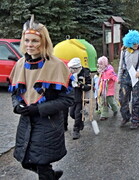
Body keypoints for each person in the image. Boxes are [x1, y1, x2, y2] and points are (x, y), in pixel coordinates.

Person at [8, 15, 74, 179]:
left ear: (44, 42)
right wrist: (17, 105)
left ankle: (47, 175)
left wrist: (39, 108)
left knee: (41, 161)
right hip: (26, 121)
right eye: (27, 40)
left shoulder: (57, 65)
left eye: (34, 41)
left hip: (48, 123)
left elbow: (68, 99)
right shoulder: (20, 64)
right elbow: (15, 93)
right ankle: (50, 175)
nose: (29, 45)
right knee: (26, 160)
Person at [118, 30, 139, 130]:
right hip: (126, 77)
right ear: (129, 43)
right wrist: (119, 78)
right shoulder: (124, 51)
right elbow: (121, 66)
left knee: (136, 100)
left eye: (137, 43)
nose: (136, 45)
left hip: (138, 79)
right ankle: (126, 117)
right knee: (123, 99)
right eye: (134, 43)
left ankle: (135, 120)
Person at [68, 57, 91, 140]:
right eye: (71, 68)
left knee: (78, 114)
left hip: (81, 97)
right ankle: (81, 121)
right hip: (72, 97)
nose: (72, 70)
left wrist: (81, 85)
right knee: (71, 114)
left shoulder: (85, 73)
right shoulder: (69, 74)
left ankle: (76, 130)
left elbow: (89, 86)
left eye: (73, 68)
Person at [97, 56, 118, 120]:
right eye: (99, 64)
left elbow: (114, 76)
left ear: (105, 64)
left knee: (111, 101)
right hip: (102, 90)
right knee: (103, 102)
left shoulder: (110, 71)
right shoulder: (101, 71)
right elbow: (100, 79)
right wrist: (98, 85)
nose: (99, 66)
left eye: (101, 64)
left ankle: (115, 108)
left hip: (109, 90)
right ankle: (104, 115)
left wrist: (118, 80)